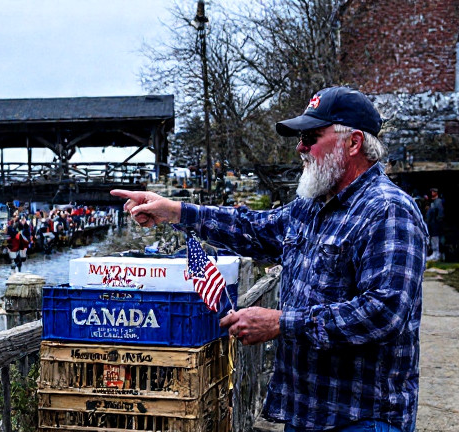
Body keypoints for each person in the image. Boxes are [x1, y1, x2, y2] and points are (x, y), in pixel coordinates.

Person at [112, 86, 427, 432]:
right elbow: (254, 229)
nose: (300, 147)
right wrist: (175, 211)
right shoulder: (313, 204)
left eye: (311, 137)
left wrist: (280, 322)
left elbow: (383, 312)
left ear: (353, 143)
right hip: (307, 413)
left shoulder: (389, 210)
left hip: (362, 418)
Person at [425, 187, 444, 261]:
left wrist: (438, 221)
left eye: (434, 191)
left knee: (435, 238)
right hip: (431, 223)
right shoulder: (432, 202)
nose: (432, 193)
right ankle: (434, 253)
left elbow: (440, 213)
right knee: (432, 238)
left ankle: (436, 254)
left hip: (436, 223)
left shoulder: (438, 201)